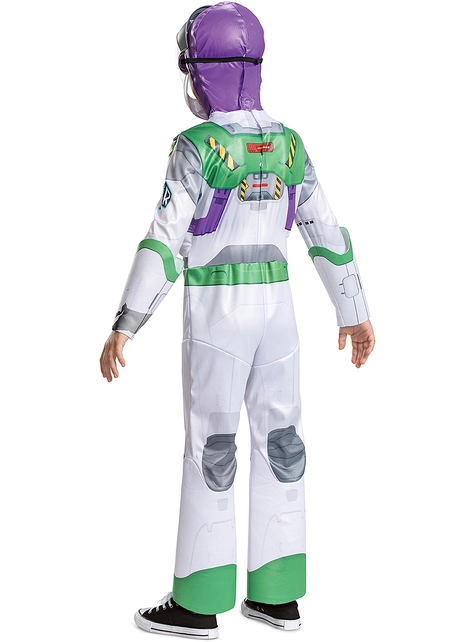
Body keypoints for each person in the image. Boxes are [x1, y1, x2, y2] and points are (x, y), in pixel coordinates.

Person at [100, 2, 375, 638]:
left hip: (219, 313)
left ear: (202, 71)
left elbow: (164, 240)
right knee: (284, 446)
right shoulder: (290, 144)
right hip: (279, 314)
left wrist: (126, 322)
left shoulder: (194, 147)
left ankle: (199, 605)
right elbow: (327, 231)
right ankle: (277, 597)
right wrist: (355, 311)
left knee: (212, 447)